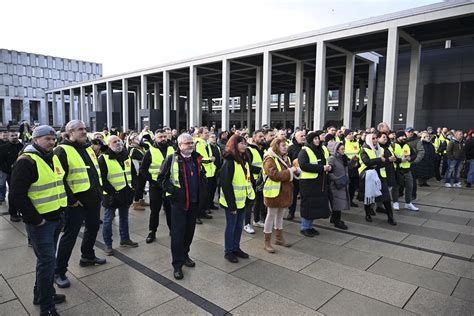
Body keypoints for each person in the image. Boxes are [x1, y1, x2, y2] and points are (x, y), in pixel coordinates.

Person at [9, 125, 67, 316]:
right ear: (35, 140)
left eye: (53, 138)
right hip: (41, 223)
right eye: (46, 139)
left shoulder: (52, 157)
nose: (51, 142)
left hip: (55, 217)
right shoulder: (26, 161)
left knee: (46, 262)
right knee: (47, 261)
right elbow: (17, 195)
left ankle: (42, 293)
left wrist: (62, 211)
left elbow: (58, 184)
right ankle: (46, 306)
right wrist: (36, 220)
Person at [54, 120, 106, 289]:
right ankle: (59, 271)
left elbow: (93, 173)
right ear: (69, 133)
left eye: (85, 129)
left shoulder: (87, 148)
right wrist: (71, 200)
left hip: (93, 199)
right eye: (80, 129)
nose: (84, 132)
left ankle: (87, 256)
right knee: (70, 236)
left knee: (93, 228)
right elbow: (58, 179)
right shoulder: (62, 150)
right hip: (76, 204)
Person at [158, 133, 206, 280]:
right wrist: (174, 192)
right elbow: (161, 178)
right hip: (179, 204)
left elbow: (200, 177)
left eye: (191, 143)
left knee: (189, 232)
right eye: (187, 143)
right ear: (179, 145)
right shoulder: (172, 159)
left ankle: (185, 255)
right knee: (177, 235)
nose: (190, 145)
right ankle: (177, 265)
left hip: (193, 203)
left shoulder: (196, 159)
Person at [99, 135, 139, 255]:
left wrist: (133, 188)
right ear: (109, 144)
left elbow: (133, 174)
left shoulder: (126, 157)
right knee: (107, 220)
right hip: (111, 195)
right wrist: (113, 192)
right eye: (114, 141)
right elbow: (102, 179)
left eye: (119, 141)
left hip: (125, 193)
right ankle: (108, 245)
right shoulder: (103, 158)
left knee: (124, 218)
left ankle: (125, 239)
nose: (118, 143)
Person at [219, 135, 254, 262]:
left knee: (239, 226)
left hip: (242, 201)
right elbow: (226, 185)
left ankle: (236, 248)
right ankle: (228, 251)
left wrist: (250, 197)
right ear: (234, 145)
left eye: (245, 143)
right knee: (231, 226)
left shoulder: (244, 159)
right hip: (232, 203)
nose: (245, 146)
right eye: (242, 143)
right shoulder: (230, 162)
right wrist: (231, 205)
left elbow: (247, 180)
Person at [262, 137, 299, 253]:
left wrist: (294, 170)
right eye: (283, 145)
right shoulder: (269, 159)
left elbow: (287, 172)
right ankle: (267, 242)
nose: (286, 147)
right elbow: (275, 175)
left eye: (286, 145)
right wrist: (290, 171)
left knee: (280, 215)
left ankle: (279, 238)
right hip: (273, 193)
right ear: (276, 147)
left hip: (283, 192)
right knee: (271, 216)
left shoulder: (285, 158)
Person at [140, 129, 175, 243]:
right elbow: (143, 169)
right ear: (155, 138)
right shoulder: (150, 151)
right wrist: (152, 181)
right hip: (156, 186)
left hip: (169, 185)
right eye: (160, 137)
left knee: (170, 209)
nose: (163, 139)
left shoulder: (172, 149)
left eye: (164, 136)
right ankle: (152, 232)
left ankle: (172, 230)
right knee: (155, 210)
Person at [297, 131, 332, 237]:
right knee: (307, 205)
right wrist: (321, 168)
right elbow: (304, 165)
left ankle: (310, 226)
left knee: (314, 206)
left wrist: (328, 167)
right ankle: (304, 227)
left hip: (318, 182)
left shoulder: (319, 150)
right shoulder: (304, 151)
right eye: (315, 139)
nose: (317, 140)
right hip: (308, 183)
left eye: (318, 138)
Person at [358, 132, 397, 225]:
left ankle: (390, 217)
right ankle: (368, 214)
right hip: (369, 176)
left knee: (386, 197)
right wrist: (380, 160)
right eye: (373, 138)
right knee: (368, 196)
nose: (375, 140)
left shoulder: (381, 149)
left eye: (376, 138)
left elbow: (384, 162)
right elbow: (367, 162)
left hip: (380, 175)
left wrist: (387, 160)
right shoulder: (364, 150)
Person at [391, 130, 419, 211]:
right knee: (396, 187)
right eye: (402, 136)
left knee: (410, 186)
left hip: (407, 169)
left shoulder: (407, 145)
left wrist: (410, 158)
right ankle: (395, 202)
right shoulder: (393, 146)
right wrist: (400, 160)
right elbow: (391, 157)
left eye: (404, 136)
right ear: (397, 137)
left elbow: (414, 154)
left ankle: (408, 203)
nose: (404, 137)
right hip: (397, 170)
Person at [0, 131, 24, 221]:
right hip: (10, 174)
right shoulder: (3, 148)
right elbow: (1, 162)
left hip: (21, 173)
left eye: (15, 135)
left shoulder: (21, 146)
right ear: (8, 137)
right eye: (12, 135)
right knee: (13, 193)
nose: (14, 137)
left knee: (21, 193)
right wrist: (8, 170)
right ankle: (13, 213)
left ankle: (20, 211)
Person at [246, 130, 266, 233]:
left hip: (261, 181)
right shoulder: (249, 150)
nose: (262, 138)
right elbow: (248, 166)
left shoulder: (262, 149)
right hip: (252, 180)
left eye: (263, 136)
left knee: (259, 201)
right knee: (250, 203)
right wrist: (261, 170)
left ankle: (256, 220)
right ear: (254, 138)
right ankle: (246, 224)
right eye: (260, 136)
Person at [194, 127, 216, 220]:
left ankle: (203, 212)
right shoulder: (199, 144)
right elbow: (199, 159)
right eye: (205, 133)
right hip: (203, 173)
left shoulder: (206, 143)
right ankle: (197, 215)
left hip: (210, 172)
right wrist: (210, 160)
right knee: (201, 195)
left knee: (206, 195)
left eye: (208, 133)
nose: (207, 134)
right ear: (200, 134)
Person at [327, 141, 351, 230]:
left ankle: (334, 219)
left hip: (342, 183)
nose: (343, 150)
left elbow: (347, 167)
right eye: (342, 149)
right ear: (336, 150)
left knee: (338, 202)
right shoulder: (332, 159)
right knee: (338, 203)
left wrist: (353, 162)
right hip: (336, 185)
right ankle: (337, 221)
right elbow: (329, 172)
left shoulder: (342, 158)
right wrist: (336, 179)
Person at [287, 130, 305, 220]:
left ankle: (305, 213)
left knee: (305, 195)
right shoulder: (291, 148)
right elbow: (287, 161)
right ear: (295, 138)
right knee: (293, 195)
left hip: (305, 175)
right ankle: (291, 212)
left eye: (304, 136)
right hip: (295, 175)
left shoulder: (306, 147)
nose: (303, 137)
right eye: (301, 136)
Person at [128, 133, 148, 210]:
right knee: (138, 187)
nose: (138, 139)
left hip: (142, 170)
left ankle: (141, 200)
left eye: (138, 138)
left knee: (142, 185)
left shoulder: (140, 147)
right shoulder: (132, 149)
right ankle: (136, 203)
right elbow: (142, 158)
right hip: (137, 171)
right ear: (131, 141)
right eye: (135, 138)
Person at [343, 129, 360, 207]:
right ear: (346, 135)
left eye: (352, 133)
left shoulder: (356, 142)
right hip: (348, 166)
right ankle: (346, 200)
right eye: (350, 134)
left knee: (353, 185)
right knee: (347, 185)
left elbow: (358, 153)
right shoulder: (343, 143)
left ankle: (351, 200)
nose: (352, 135)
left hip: (356, 167)